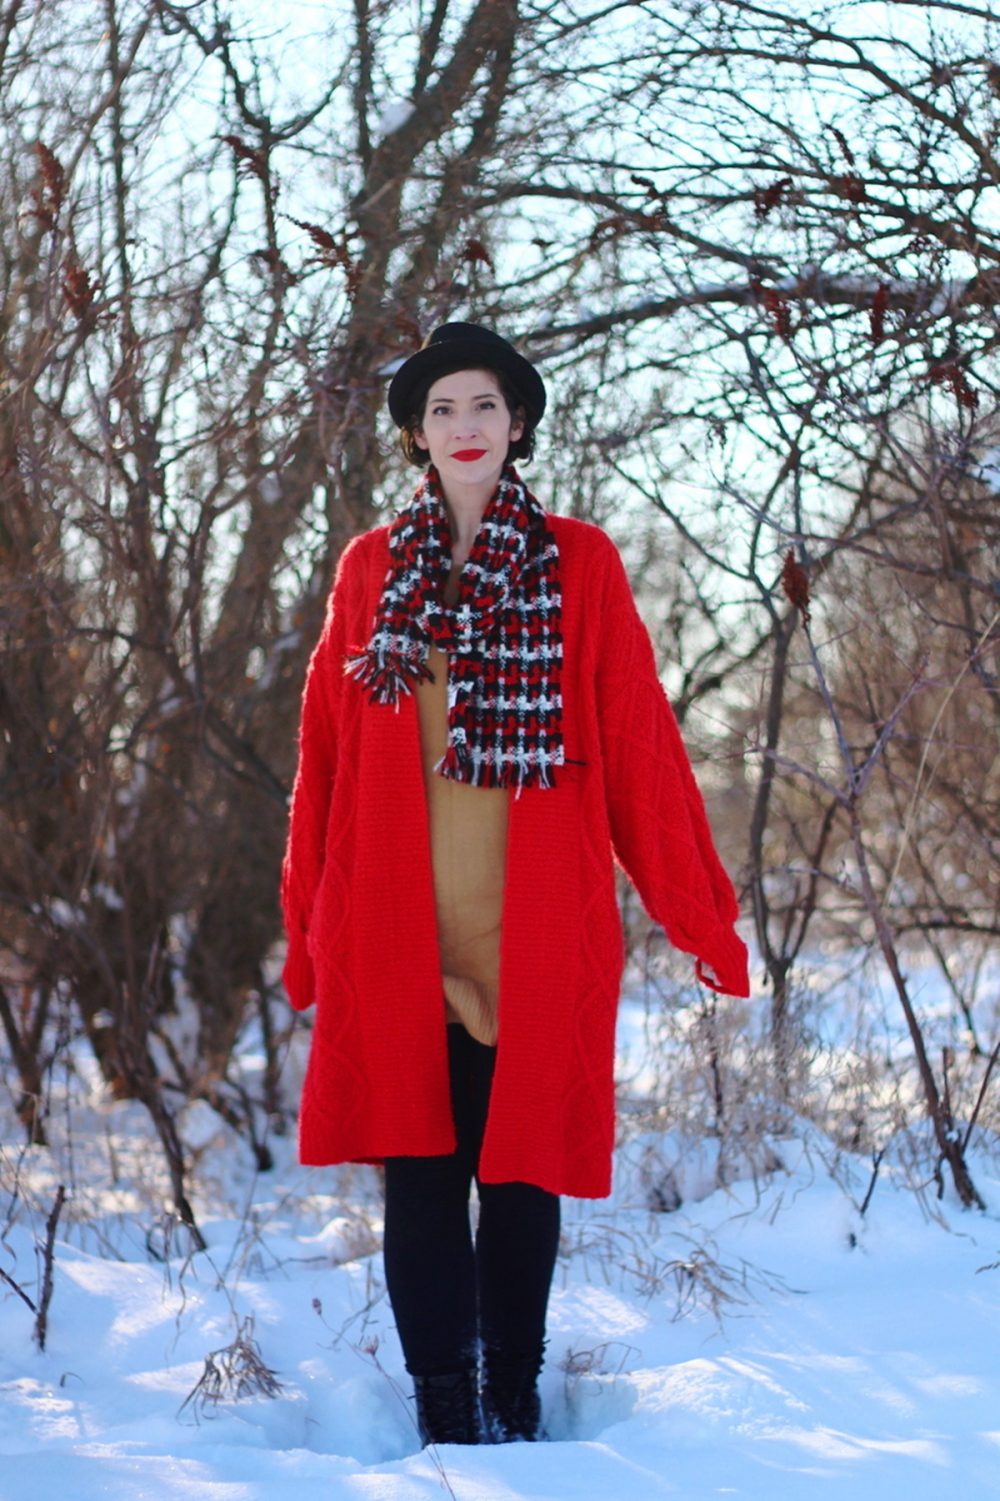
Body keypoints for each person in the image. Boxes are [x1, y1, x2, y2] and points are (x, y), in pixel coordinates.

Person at [281, 322, 749, 1447]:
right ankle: (446, 1408)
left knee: (523, 1172)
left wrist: (701, 916)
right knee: (424, 1182)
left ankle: (513, 1396)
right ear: (415, 436)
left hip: (534, 927)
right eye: (441, 410)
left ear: (518, 422)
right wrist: (309, 927)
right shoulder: (368, 571)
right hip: (399, 928)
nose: (464, 427)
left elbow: (638, 746)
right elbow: (326, 759)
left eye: (482, 405)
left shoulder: (578, 564)